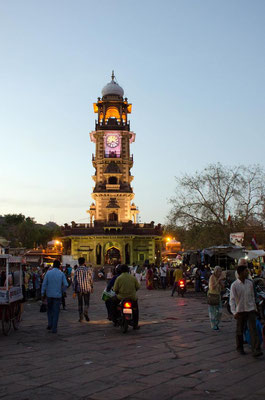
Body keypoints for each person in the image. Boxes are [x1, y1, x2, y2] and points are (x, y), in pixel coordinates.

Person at [230, 264, 263, 357]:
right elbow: (232, 300)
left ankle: (256, 349)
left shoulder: (250, 283)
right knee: (240, 330)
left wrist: (255, 308)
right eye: (245, 271)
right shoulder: (234, 285)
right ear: (240, 273)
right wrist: (234, 312)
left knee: (253, 330)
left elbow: (252, 296)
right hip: (240, 310)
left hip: (250, 309)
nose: (247, 272)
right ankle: (240, 347)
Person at [41, 259, 68, 334]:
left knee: (49, 310)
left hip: (49, 295)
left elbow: (44, 284)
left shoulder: (48, 273)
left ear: (53, 265)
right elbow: (66, 284)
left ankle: (50, 323)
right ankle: (54, 328)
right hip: (57, 295)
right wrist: (62, 291)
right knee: (56, 311)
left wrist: (43, 293)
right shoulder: (61, 274)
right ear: (59, 266)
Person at [111, 264, 140, 329]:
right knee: (135, 310)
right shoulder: (133, 277)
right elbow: (138, 287)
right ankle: (135, 324)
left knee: (112, 302)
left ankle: (115, 319)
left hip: (121, 297)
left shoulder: (119, 278)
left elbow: (115, 289)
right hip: (132, 297)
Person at [73, 257, 93, 322]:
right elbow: (90, 279)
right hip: (87, 288)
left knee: (80, 303)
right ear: (84, 262)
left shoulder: (76, 270)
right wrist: (92, 287)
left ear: (78, 262)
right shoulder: (88, 269)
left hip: (79, 289)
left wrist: (74, 291)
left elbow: (75, 281)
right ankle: (86, 311)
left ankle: (81, 317)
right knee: (86, 302)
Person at [208, 266, 224, 331]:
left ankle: (217, 323)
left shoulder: (219, 278)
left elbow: (223, 287)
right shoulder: (212, 277)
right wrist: (218, 281)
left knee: (219, 311)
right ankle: (214, 325)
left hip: (218, 296)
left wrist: (221, 282)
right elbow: (212, 287)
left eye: (221, 271)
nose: (220, 273)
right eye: (219, 271)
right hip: (213, 295)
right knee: (213, 312)